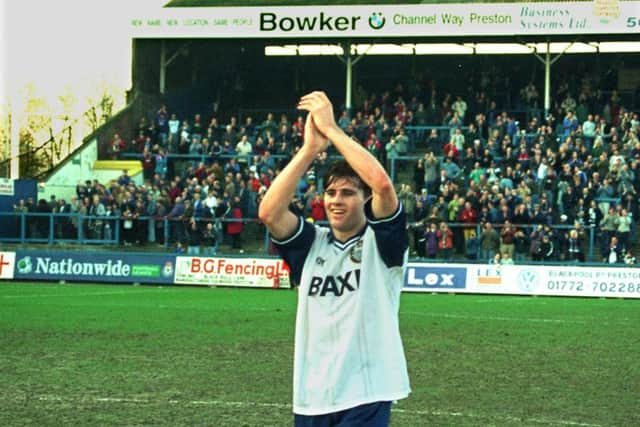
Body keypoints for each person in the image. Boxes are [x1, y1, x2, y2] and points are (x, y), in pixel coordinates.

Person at [258, 91, 410, 426]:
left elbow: (383, 185)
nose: (336, 201)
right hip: (312, 395)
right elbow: (269, 212)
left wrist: (333, 130)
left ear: (364, 198)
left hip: (367, 392)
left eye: (347, 193)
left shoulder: (383, 243)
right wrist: (310, 149)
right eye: (330, 193)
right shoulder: (311, 244)